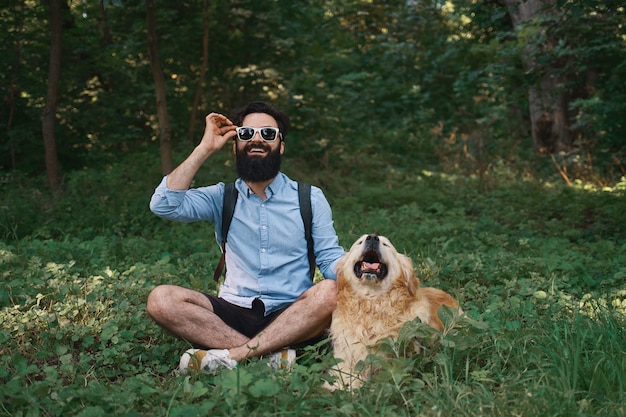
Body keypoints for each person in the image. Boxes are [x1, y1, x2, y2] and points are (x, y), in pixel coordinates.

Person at [147, 101, 344, 373]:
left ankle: (234, 357)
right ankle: (269, 358)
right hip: (233, 312)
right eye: (246, 133)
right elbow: (164, 204)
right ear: (235, 145)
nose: (257, 139)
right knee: (161, 299)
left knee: (329, 291)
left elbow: (330, 259)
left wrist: (364, 270)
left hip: (293, 314)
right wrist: (204, 148)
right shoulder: (221, 197)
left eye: (268, 134)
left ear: (281, 146)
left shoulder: (309, 198)